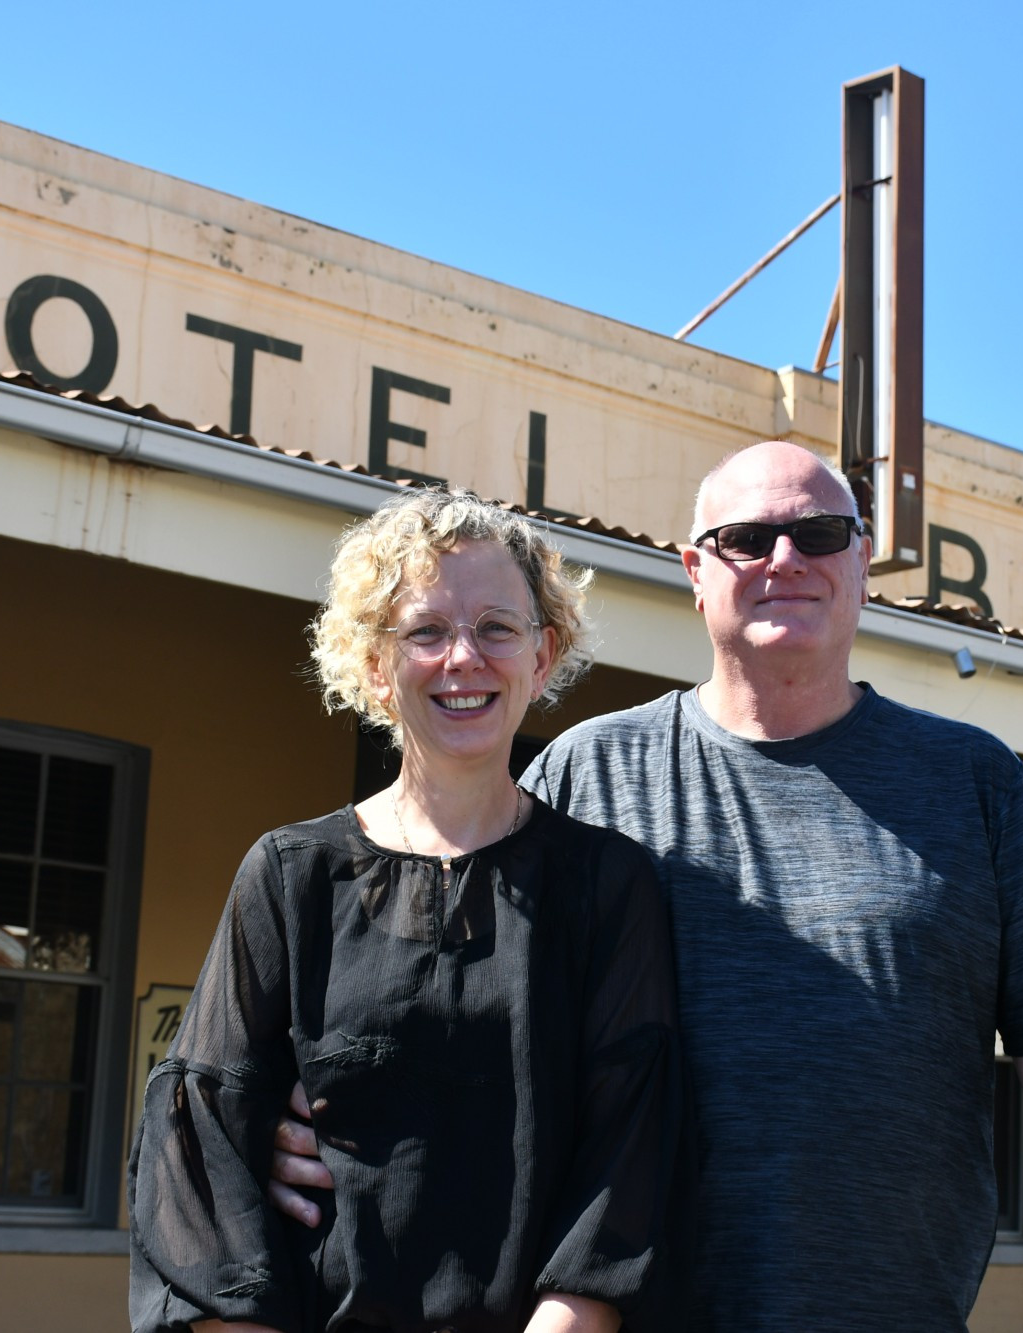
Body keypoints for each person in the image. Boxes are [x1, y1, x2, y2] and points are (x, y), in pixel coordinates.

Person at [271, 442, 1023, 1330]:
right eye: (747, 537)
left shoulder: (975, 784)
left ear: (863, 563)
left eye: (819, 533)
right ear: (695, 570)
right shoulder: (585, 775)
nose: (786, 559)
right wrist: (318, 1123)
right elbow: (453, 1016)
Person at [129, 489, 691, 1333]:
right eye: (425, 631)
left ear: (543, 657)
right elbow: (204, 1158)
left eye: (497, 627)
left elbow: (628, 1167)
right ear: (374, 666)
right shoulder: (291, 877)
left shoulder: (609, 888)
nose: (462, 656)